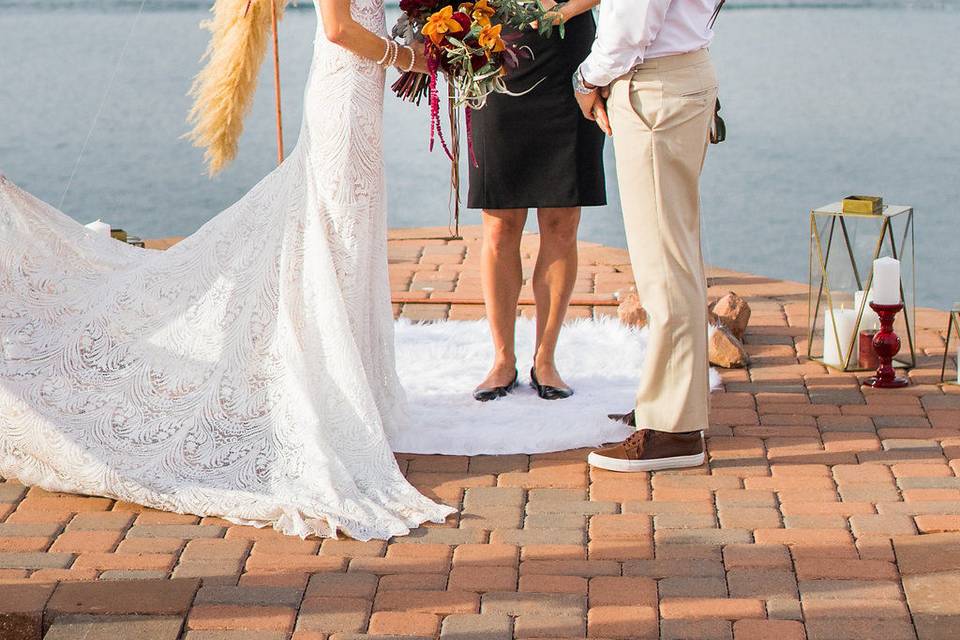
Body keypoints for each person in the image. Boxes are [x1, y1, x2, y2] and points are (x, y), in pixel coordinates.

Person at [0, 0, 458, 541]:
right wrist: (406, 57)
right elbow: (337, 29)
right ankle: (323, 384)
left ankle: (347, 382)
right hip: (343, 92)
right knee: (335, 235)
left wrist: (423, 34)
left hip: (361, 95)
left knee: (349, 239)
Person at [572, 0, 719, 472]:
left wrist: (586, 78)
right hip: (682, 74)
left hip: (655, 84)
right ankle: (672, 405)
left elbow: (632, 23)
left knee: (664, 266)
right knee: (677, 257)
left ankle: (674, 429)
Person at [468, 0, 606, 402]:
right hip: (495, 60)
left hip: (568, 65)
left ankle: (545, 359)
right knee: (498, 225)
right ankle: (502, 360)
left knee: (562, 221)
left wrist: (555, 13)